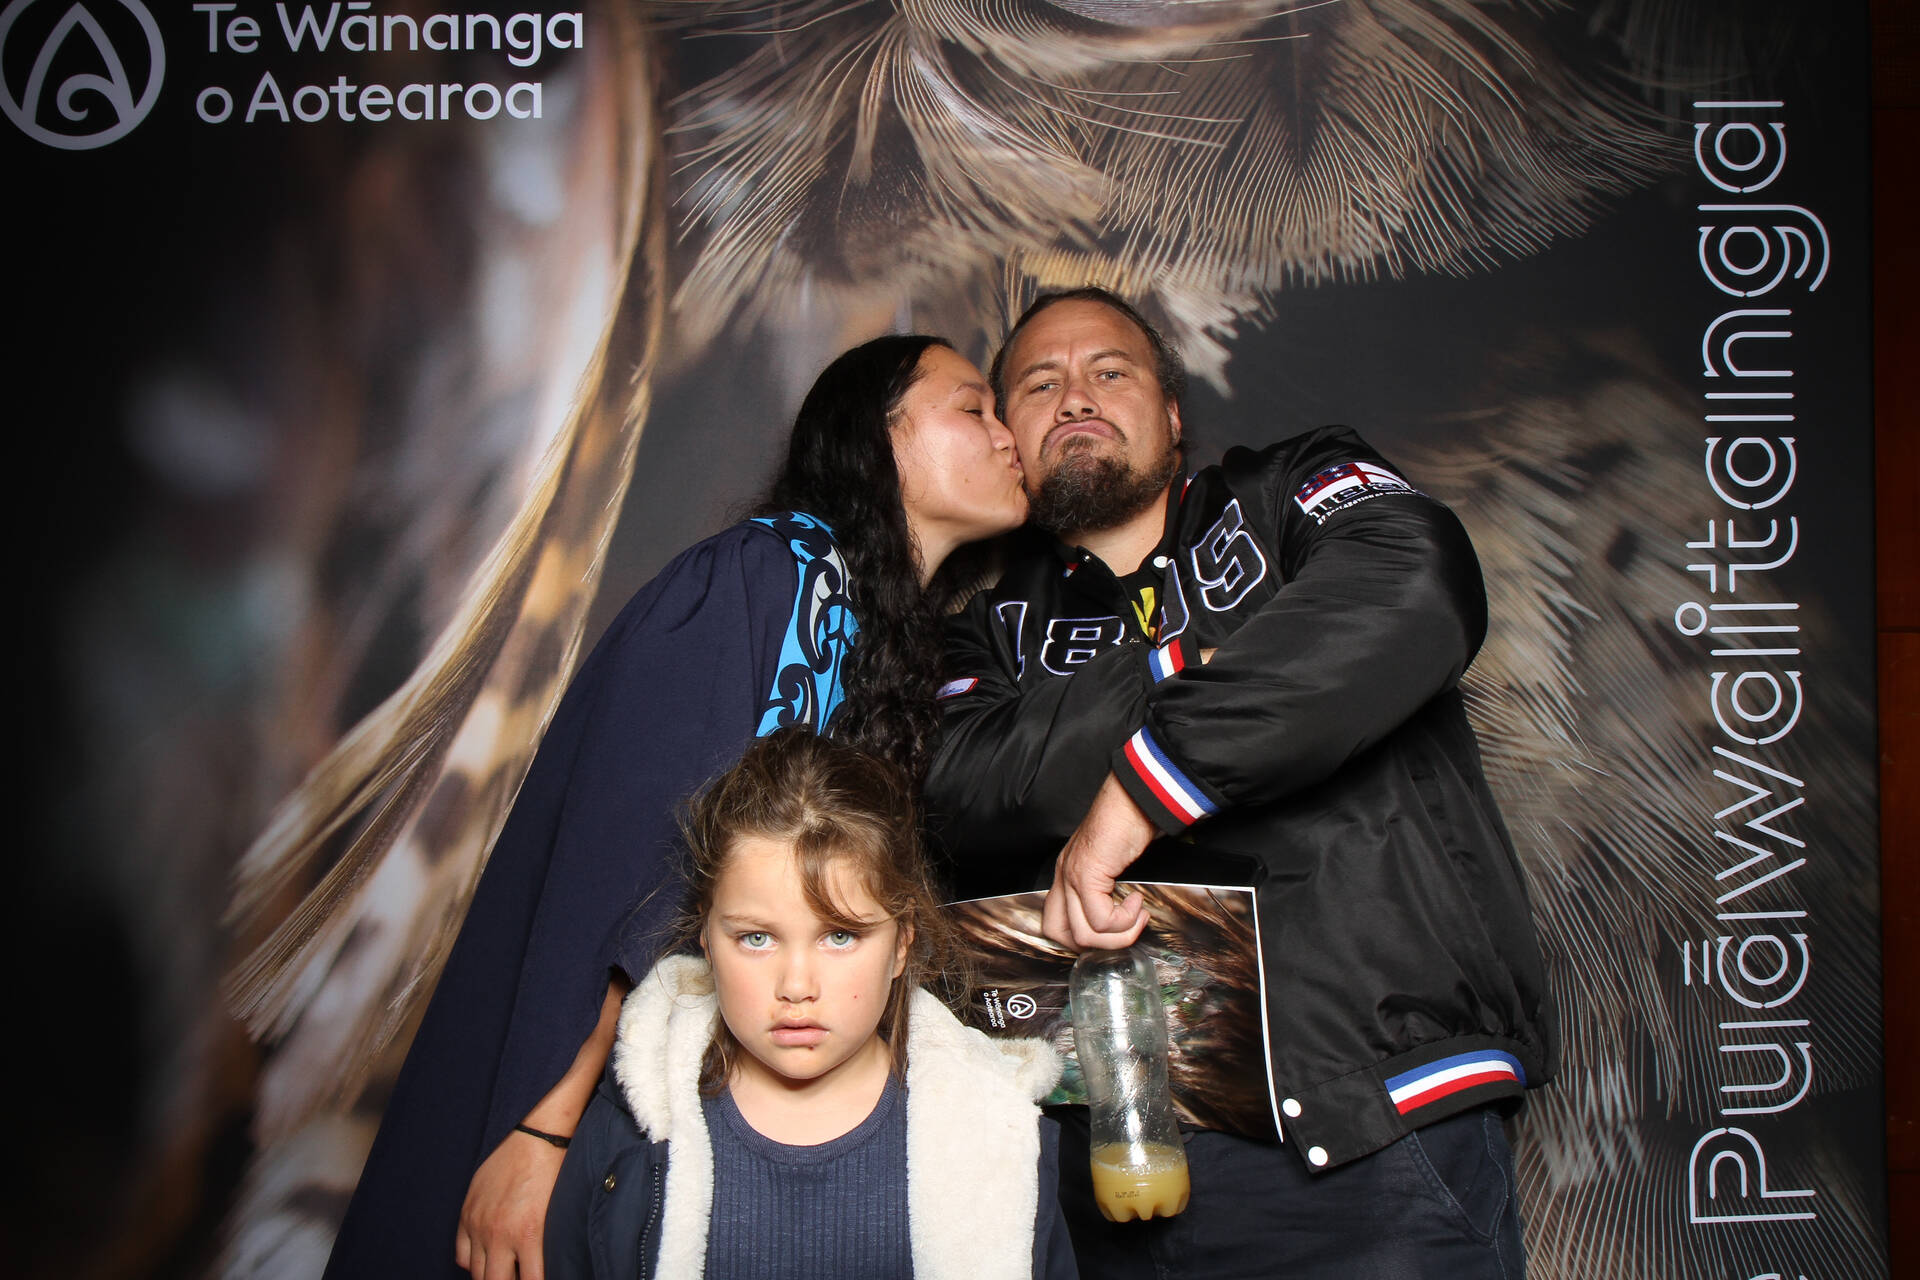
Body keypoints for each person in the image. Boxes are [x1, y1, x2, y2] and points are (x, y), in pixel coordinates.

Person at [325, 335, 1028, 1279]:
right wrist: (542, 1130)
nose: (1007, 433)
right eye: (973, 408)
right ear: (878, 439)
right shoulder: (766, 575)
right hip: (595, 1102)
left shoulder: (881, 630)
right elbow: (631, 883)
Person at [926, 288, 1557, 1279]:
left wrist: (1140, 789)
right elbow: (964, 784)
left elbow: (1412, 585)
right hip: (1113, 1160)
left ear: (1174, 413)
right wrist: (1193, 665)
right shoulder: (987, 630)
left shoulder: (1290, 487)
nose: (1076, 396)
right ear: (1009, 437)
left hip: (1371, 1123)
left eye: (1110, 371)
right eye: (1039, 385)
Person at [545, 727, 1077, 1280]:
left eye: (840, 936)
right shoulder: (628, 1126)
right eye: (756, 938)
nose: (796, 986)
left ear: (902, 943)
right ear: (705, 937)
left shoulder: (997, 1130)